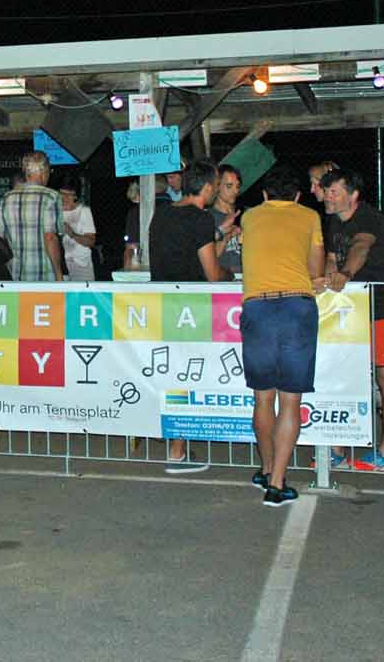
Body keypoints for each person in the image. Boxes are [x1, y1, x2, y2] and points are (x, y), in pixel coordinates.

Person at [240, 165, 326, 507]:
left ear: (264, 195)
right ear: (298, 196)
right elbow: (316, 269)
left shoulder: (249, 217)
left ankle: (265, 469)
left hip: (257, 307)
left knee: (263, 398)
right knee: (291, 400)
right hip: (296, 307)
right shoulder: (309, 216)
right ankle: (277, 483)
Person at [321, 167, 384, 473]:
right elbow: (332, 258)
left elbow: (361, 246)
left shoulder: (368, 218)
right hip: (358, 309)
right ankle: (337, 450)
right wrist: (329, 277)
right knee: (346, 375)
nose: (327, 197)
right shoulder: (333, 221)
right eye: (326, 191)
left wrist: (346, 273)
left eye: (334, 192)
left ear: (353, 195)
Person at [148, 160, 225, 470]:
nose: (217, 189)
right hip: (190, 308)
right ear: (206, 187)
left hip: (162, 303)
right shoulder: (200, 218)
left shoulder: (162, 214)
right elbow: (212, 272)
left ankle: (173, 440)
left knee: (170, 373)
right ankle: (177, 450)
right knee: (186, 376)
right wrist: (229, 274)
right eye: (216, 184)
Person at [0, 151, 64, 282]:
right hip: (43, 276)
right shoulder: (51, 196)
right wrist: (59, 275)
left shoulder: (7, 198)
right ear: (44, 171)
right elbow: (50, 238)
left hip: (15, 275)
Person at [57, 178, 97, 282]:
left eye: (69, 194)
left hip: (81, 265)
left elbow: (91, 242)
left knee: (83, 293)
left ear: (75, 196)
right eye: (62, 193)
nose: (65, 198)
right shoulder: (53, 211)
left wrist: (72, 234)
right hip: (59, 265)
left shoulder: (84, 211)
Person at [211, 164, 244, 278]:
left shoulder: (245, 215)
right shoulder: (208, 218)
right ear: (217, 186)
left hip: (246, 278)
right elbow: (207, 259)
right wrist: (225, 237)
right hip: (223, 281)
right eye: (229, 186)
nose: (235, 190)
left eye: (237, 186)